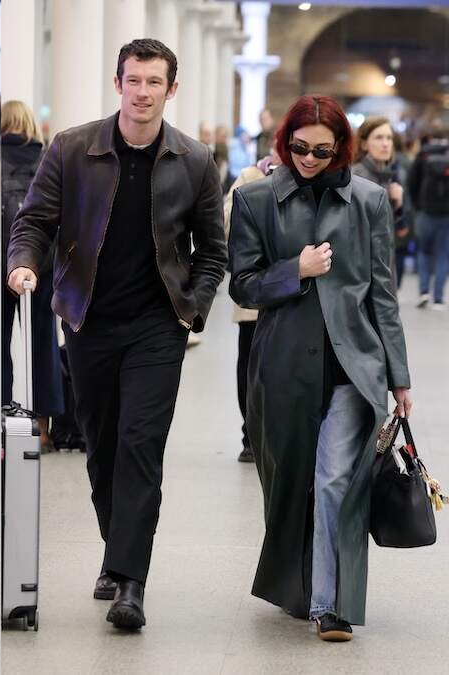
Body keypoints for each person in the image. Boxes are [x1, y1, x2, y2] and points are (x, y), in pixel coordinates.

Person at [6, 38, 226, 631]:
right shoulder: (73, 148)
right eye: (134, 80)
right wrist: (23, 262)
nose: (143, 92)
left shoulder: (196, 160)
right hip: (88, 320)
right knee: (102, 447)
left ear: (171, 89)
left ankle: (131, 582)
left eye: (155, 82)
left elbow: (213, 252)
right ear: (118, 83)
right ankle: (116, 551)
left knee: (140, 445)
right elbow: (34, 219)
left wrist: (193, 311)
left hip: (159, 325)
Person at [228, 94, 412, 643]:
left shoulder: (370, 201)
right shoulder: (256, 198)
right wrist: (296, 270)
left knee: (334, 479)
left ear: (341, 149)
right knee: (286, 484)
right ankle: (298, 585)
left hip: (355, 367)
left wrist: (399, 377)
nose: (308, 159)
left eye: (321, 151)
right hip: (283, 366)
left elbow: (383, 296)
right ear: (285, 144)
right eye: (299, 148)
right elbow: (242, 284)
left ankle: (330, 606)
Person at [0, 99, 63, 449]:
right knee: (43, 343)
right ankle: (43, 425)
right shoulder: (48, 160)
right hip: (43, 262)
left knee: (1, 344)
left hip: (3, 265)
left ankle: (5, 416)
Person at [223, 148, 278, 464]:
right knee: (250, 366)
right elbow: (227, 222)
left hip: (298, 294)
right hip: (254, 296)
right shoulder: (251, 176)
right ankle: (250, 434)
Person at [352, 117, 408, 289]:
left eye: (389, 138)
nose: (386, 144)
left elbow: (385, 228)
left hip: (383, 265)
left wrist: (397, 205)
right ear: (363, 144)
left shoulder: (387, 176)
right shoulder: (355, 177)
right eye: (379, 138)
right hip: (362, 272)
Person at [407, 127, 449, 309]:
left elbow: (411, 181)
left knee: (424, 252)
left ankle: (423, 291)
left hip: (425, 211)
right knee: (443, 254)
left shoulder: (423, 155)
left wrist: (418, 204)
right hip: (447, 214)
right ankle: (438, 297)